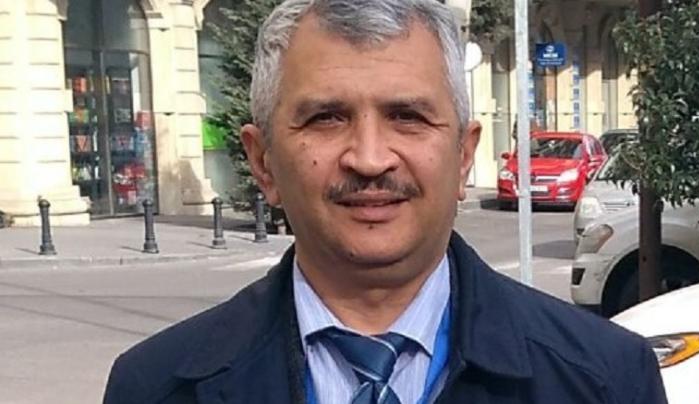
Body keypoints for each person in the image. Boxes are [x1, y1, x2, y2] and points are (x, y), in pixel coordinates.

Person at [103, 1, 667, 403]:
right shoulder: (154, 388)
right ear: (263, 162)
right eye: (327, 118)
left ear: (463, 155)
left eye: (407, 116)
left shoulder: (606, 380)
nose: (370, 159)